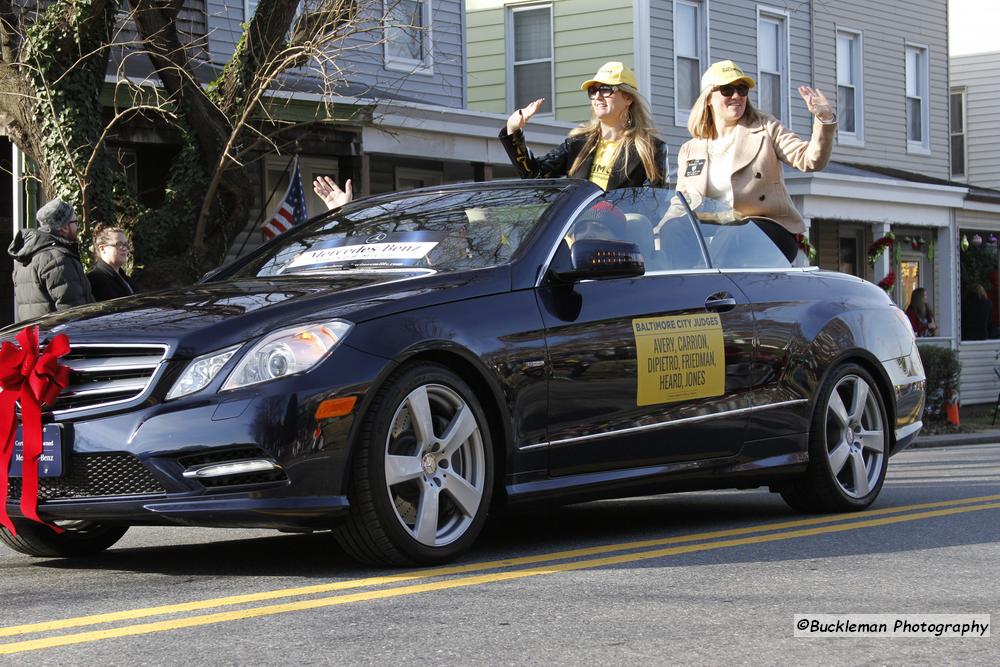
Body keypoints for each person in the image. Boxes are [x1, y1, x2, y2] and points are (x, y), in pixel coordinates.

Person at [674, 60, 837, 255]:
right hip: (714, 226)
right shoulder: (691, 149)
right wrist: (659, 230)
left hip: (764, 228)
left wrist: (824, 120)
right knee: (673, 230)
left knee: (735, 236)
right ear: (708, 97)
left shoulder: (766, 128)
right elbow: (681, 202)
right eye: (727, 90)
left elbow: (809, 159)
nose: (736, 96)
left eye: (742, 90)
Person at [499, 61, 668, 190]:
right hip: (579, 234)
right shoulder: (577, 143)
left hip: (621, 234)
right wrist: (513, 131)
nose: (597, 96)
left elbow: (654, 203)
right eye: (593, 91)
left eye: (606, 89)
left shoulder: (650, 148)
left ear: (628, 98)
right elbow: (535, 176)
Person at [8, 197, 94, 321]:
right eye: (75, 222)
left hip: (37, 336)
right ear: (64, 227)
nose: (78, 227)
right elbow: (73, 312)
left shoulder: (24, 258)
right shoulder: (58, 259)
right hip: (59, 338)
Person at [87, 225, 135, 301]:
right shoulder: (95, 280)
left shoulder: (126, 279)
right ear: (102, 249)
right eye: (118, 244)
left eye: (125, 244)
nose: (124, 248)